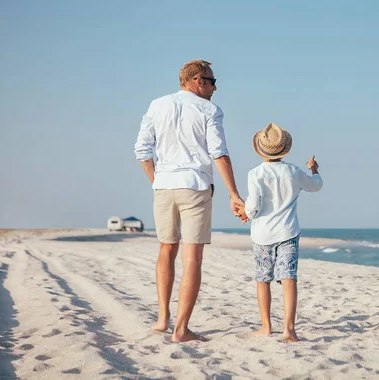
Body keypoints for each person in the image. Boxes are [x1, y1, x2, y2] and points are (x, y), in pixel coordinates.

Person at [134, 60, 245, 342]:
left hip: (164, 186)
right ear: (196, 80)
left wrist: (156, 180)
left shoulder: (157, 105)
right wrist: (234, 194)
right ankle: (181, 330)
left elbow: (141, 150)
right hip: (195, 186)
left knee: (166, 249)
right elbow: (219, 153)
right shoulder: (209, 110)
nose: (215, 87)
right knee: (192, 258)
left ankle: (162, 318)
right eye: (211, 80)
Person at [237, 123, 323, 342]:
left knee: (263, 279)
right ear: (284, 149)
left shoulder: (255, 173)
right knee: (289, 279)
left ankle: (266, 327)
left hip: (262, 234)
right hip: (288, 232)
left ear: (261, 149)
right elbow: (315, 186)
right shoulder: (293, 171)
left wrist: (245, 212)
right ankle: (289, 330)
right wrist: (314, 169)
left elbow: (253, 206)